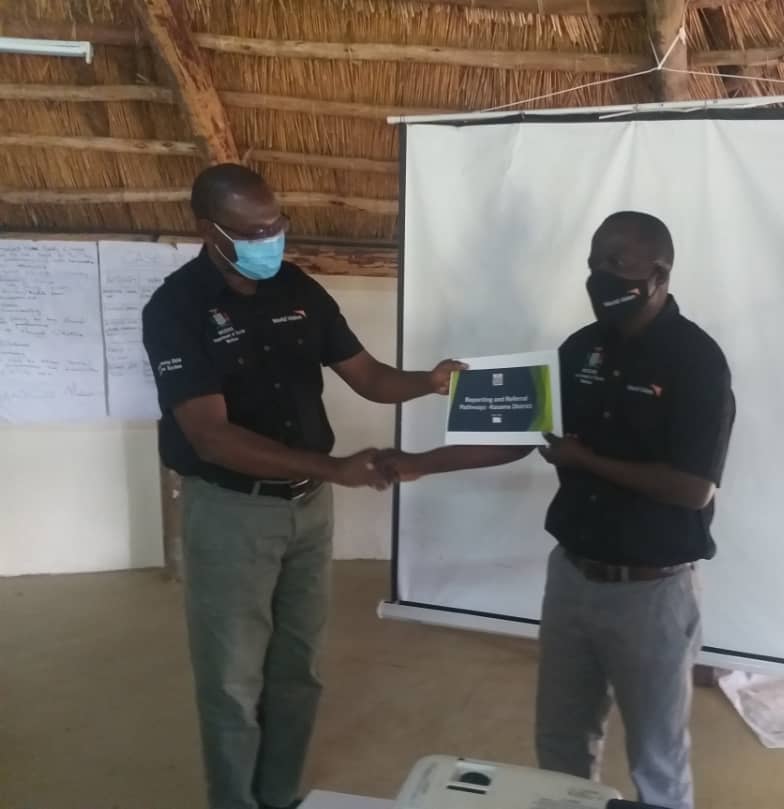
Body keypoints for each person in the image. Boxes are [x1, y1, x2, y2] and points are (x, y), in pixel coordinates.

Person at [382, 211, 736, 809]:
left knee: (657, 758)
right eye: (594, 263)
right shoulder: (580, 349)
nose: (600, 277)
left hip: (652, 595)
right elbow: (521, 433)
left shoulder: (697, 361)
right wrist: (418, 462)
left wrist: (585, 460)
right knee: (561, 745)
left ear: (658, 272)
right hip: (571, 580)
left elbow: (693, 488)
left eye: (616, 265)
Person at [141, 163, 462, 809]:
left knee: (298, 671)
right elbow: (210, 435)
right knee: (232, 680)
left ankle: (280, 796)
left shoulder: (298, 289)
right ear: (208, 229)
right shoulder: (175, 309)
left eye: (276, 222)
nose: (270, 237)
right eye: (252, 229)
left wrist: (428, 380)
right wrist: (336, 468)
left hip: (308, 513)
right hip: (232, 512)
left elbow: (368, 375)